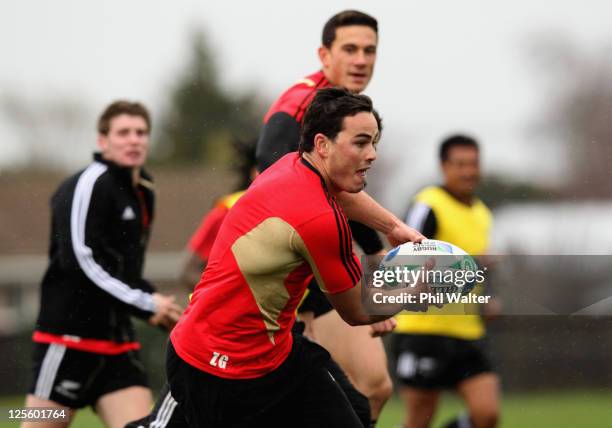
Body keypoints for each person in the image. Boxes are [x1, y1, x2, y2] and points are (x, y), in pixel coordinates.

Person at [166, 88, 426, 427]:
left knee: (358, 414)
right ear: (322, 145)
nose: (372, 154)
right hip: (215, 369)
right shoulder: (319, 220)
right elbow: (358, 309)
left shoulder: (293, 165)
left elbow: (341, 196)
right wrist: (423, 280)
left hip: (275, 356)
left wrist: (392, 226)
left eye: (374, 142)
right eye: (361, 142)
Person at [256, 10, 393, 424]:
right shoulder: (300, 104)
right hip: (286, 275)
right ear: (324, 54)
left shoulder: (346, 110)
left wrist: (373, 256)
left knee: (373, 385)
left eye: (369, 50)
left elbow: (339, 192)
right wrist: (306, 305)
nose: (360, 60)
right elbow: (278, 178)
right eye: (349, 49)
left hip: (321, 267)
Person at [22, 101, 183, 428]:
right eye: (123, 132)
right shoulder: (88, 184)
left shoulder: (143, 190)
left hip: (117, 345)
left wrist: (158, 304)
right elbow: (81, 261)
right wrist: (146, 303)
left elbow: (124, 270)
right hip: (68, 342)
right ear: (103, 140)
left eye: (141, 133)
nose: (134, 140)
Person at [393, 135, 501, 428]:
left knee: (487, 414)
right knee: (419, 418)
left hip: (467, 331)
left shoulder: (482, 213)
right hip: (424, 330)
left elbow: (478, 264)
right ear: (444, 166)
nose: (469, 171)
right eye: (460, 164)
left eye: (474, 164)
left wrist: (488, 294)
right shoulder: (428, 205)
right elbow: (405, 260)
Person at [179, 139, 258, 288]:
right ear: (255, 171)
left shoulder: (297, 212)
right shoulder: (227, 212)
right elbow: (188, 272)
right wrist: (230, 297)